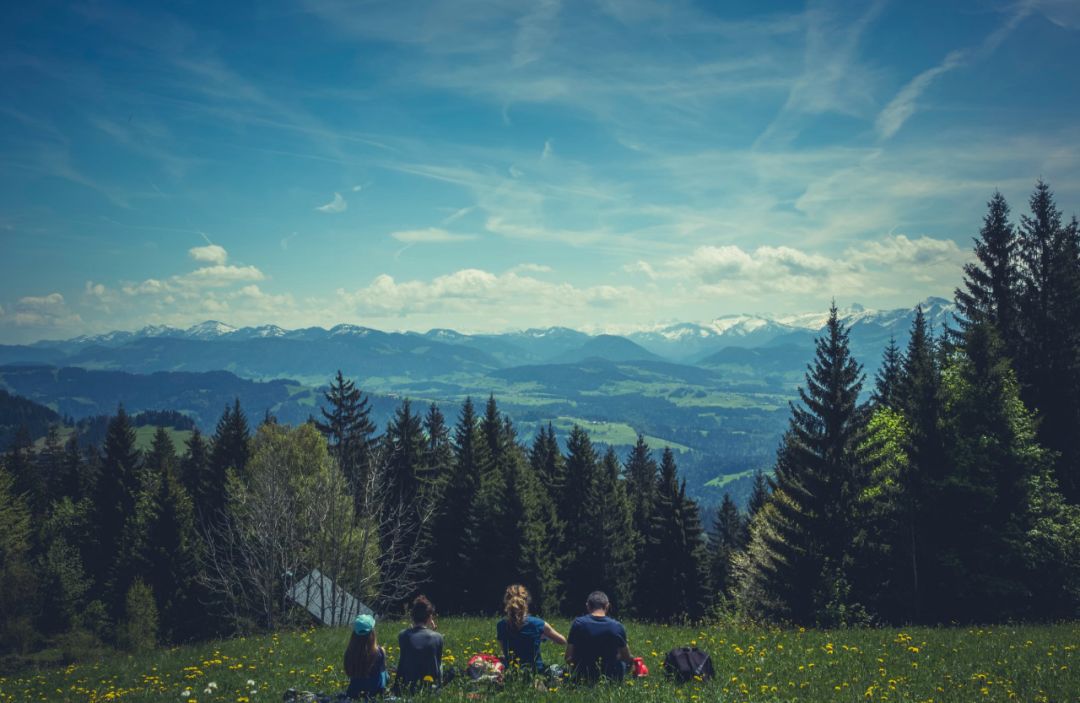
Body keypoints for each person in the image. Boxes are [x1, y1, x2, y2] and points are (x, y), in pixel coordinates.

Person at [496, 584, 566, 675]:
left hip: (512, 673)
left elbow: (505, 652)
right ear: (527, 601)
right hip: (535, 673)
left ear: (506, 601)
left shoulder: (501, 625)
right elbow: (563, 641)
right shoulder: (538, 624)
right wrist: (545, 636)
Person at [565, 591, 635, 682]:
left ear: (588, 606)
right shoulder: (617, 627)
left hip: (583, 677)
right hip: (611, 678)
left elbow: (568, 657)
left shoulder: (578, 624)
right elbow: (627, 658)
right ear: (607, 606)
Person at [395, 595, 444, 692]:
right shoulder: (438, 637)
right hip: (429, 687)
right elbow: (437, 662)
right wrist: (433, 630)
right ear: (430, 617)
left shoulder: (403, 635)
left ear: (412, 616)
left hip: (407, 686)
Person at [343, 613, 388, 700]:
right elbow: (383, 674)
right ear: (372, 633)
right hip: (374, 693)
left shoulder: (349, 652)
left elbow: (348, 672)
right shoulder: (380, 652)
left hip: (354, 693)